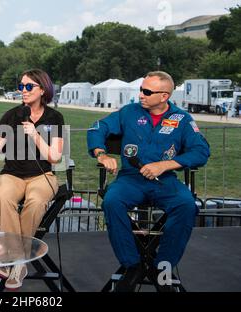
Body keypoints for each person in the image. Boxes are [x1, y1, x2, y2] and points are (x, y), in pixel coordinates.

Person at [87, 71, 210, 292]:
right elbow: (98, 128)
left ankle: (162, 266)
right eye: (141, 89)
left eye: (146, 91)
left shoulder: (182, 119)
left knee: (186, 205)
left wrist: (165, 165)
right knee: (112, 201)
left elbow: (201, 152)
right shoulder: (129, 112)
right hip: (130, 179)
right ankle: (132, 264)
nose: (141, 95)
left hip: (165, 180)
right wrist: (101, 154)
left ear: (164, 96)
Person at [0, 69, 64, 290]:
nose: (22, 90)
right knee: (3, 196)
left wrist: (35, 135)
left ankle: (12, 259)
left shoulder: (54, 118)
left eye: (28, 86)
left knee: (35, 201)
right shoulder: (12, 115)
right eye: (21, 86)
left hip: (43, 175)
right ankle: (19, 259)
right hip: (12, 174)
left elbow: (55, 156)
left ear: (42, 89)